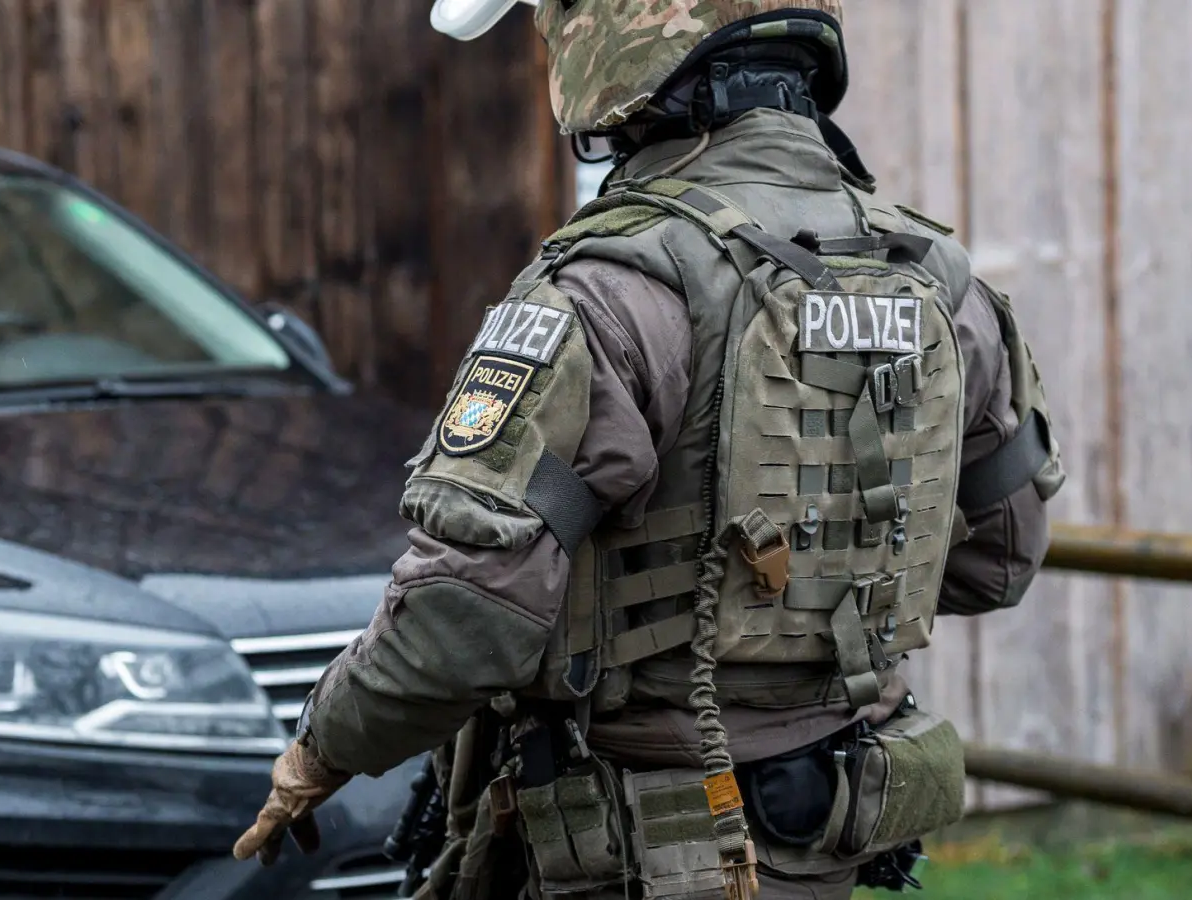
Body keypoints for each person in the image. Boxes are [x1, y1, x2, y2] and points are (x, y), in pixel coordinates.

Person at [234, 3, 1065, 898]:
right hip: (823, 831)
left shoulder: (609, 289)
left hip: (629, 850)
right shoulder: (942, 281)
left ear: (618, 51)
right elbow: (998, 561)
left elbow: (466, 614)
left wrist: (324, 748)